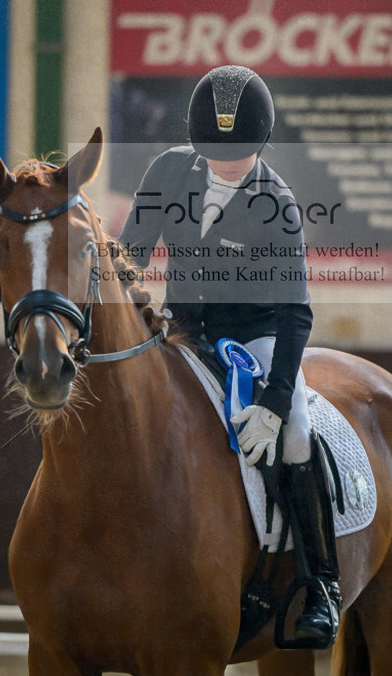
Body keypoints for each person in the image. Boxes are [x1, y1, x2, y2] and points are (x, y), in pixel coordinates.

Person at [120, 65, 341, 645]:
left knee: (294, 431)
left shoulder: (279, 204)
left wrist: (273, 399)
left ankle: (321, 583)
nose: (225, 162)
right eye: (214, 150)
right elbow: (133, 256)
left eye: (238, 151)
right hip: (180, 332)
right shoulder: (169, 170)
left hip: (256, 337)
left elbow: (297, 314)